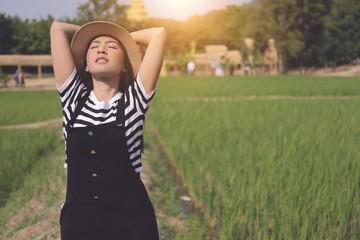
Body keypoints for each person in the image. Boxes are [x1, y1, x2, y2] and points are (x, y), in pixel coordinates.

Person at [50, 20, 166, 240]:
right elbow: (57, 29)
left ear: (124, 65)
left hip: (132, 223)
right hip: (79, 223)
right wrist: (93, 33)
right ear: (85, 65)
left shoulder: (135, 102)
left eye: (112, 47)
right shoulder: (73, 99)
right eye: (93, 47)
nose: (102, 48)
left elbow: (158, 35)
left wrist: (121, 35)